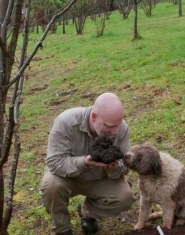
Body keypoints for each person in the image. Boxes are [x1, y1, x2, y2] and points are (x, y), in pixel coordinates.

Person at [40, 92, 135, 235]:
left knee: (125, 198)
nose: (115, 132)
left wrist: (114, 168)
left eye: (118, 125)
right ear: (93, 117)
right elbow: (54, 162)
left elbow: (126, 164)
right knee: (51, 186)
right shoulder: (66, 122)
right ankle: (62, 229)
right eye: (109, 126)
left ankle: (87, 212)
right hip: (67, 177)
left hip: (100, 178)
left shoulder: (121, 128)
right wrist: (85, 161)